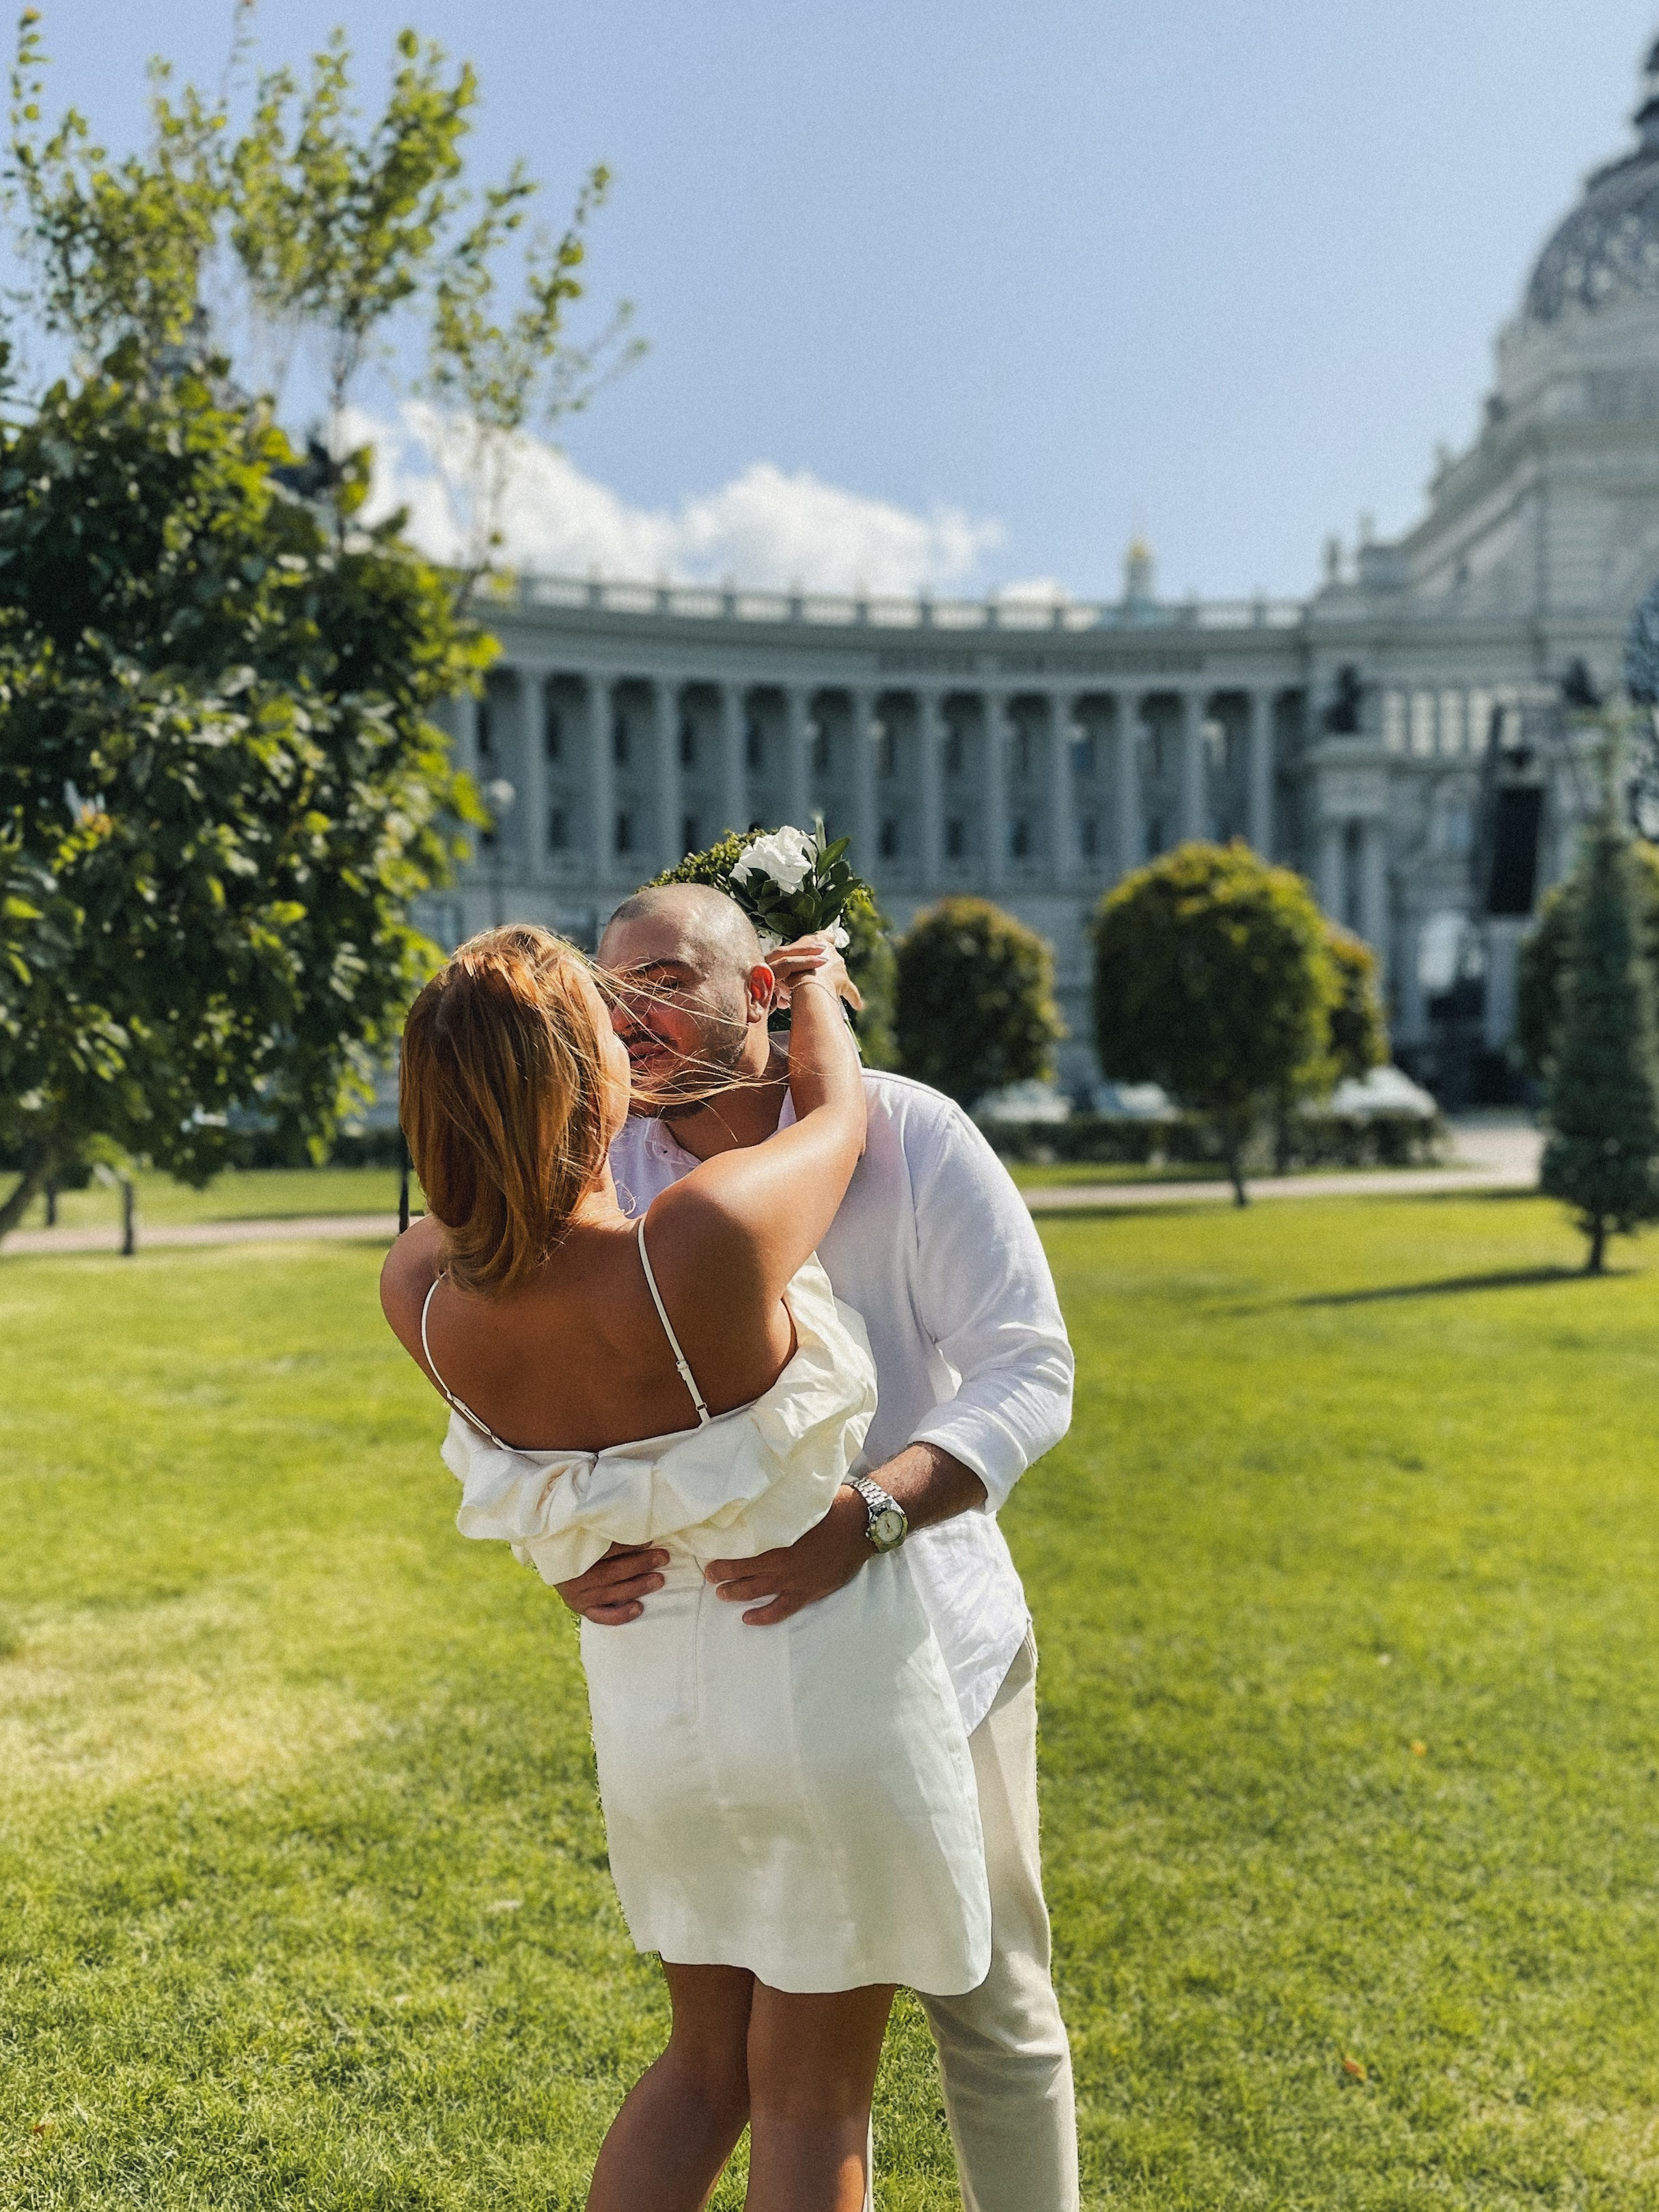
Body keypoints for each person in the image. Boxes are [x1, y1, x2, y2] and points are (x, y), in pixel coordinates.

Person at [380, 923, 990, 2212]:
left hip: (651, 1705)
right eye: (608, 1028)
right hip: (821, 1682)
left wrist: (563, 1566)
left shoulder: (422, 1288)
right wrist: (814, 985)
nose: (631, 1037)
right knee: (813, 2094)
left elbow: (544, 1473)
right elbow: (832, 1109)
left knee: (703, 2068)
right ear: (581, 1084)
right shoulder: (700, 1237)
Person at [570, 882, 1079, 2212]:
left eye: (667, 978)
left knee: (987, 2000)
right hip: (718, 1685)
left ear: (759, 991)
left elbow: (1027, 1369)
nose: (635, 1016)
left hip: (935, 1644)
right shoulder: (605, 1169)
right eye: (613, 986)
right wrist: (562, 1544)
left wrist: (871, 1517)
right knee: (732, 2058)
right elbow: (530, 1383)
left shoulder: (906, 1128)